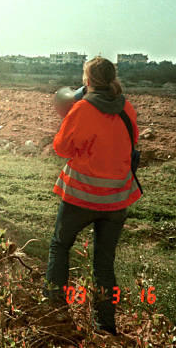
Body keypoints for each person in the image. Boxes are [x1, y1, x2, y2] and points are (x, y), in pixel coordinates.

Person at [44, 56, 142, 335]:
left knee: (60, 246)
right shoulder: (127, 109)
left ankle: (55, 312)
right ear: (112, 79)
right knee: (104, 263)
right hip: (116, 200)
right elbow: (131, 143)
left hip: (81, 197)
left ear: (87, 81)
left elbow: (61, 148)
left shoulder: (82, 109)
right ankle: (105, 327)